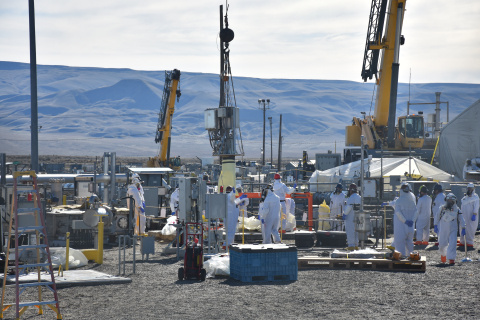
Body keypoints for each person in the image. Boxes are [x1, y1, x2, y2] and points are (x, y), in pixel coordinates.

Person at [437, 193, 466, 265]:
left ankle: (451, 259)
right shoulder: (442, 208)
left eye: (451, 200)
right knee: (442, 243)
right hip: (443, 228)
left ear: (454, 201)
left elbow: (461, 219)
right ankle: (443, 254)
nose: (449, 202)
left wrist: (463, 227)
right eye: (448, 200)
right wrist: (435, 225)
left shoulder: (457, 210)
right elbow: (437, 216)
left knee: (453, 243)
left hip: (453, 228)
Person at [393, 182, 416, 257]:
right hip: (410, 226)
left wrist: (405, 221)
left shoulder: (398, 201)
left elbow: (398, 213)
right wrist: (412, 221)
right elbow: (416, 212)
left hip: (401, 226)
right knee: (410, 243)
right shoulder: (412, 201)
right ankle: (412, 257)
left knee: (400, 243)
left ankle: (401, 259)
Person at [459, 183, 479, 248]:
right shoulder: (465, 198)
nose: (469, 189)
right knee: (462, 227)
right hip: (464, 216)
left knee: (470, 229)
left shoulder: (476, 198)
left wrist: (474, 214)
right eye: (468, 188)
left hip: (471, 216)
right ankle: (462, 241)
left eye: (470, 188)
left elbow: (476, 207)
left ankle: (469, 242)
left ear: (473, 189)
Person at [343, 183, 361, 250]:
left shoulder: (351, 197)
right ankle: (356, 245)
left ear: (351, 190)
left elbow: (349, 207)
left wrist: (344, 214)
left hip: (350, 217)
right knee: (356, 231)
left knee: (350, 231)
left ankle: (351, 245)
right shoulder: (359, 197)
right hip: (358, 217)